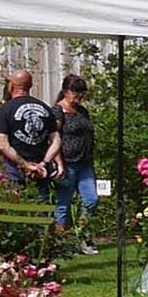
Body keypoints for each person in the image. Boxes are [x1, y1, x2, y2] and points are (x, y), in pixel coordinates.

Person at [0, 71, 59, 195]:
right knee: (41, 208)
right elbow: (56, 141)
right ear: (30, 86)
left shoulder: (5, 109)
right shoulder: (45, 108)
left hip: (14, 170)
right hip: (40, 169)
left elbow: (3, 145)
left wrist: (25, 165)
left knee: (16, 208)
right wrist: (43, 163)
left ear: (11, 86)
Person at [51, 73, 100, 241]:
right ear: (66, 91)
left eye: (82, 92)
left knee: (91, 200)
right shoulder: (57, 112)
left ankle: (82, 236)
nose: (80, 96)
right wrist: (59, 163)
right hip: (67, 163)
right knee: (63, 204)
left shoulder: (82, 111)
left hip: (85, 163)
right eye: (76, 92)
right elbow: (54, 138)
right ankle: (61, 241)